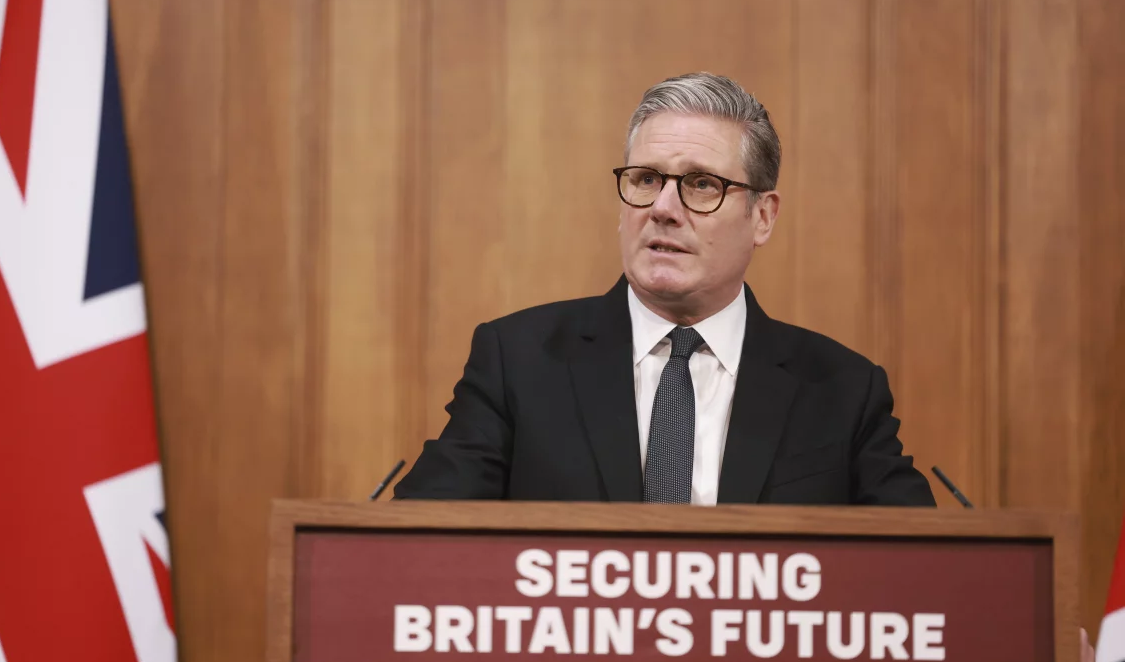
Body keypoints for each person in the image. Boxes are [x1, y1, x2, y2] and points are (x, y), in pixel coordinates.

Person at [396, 72, 933, 506]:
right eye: (646, 179)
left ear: (762, 217)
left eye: (702, 184)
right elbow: (419, 544)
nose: (663, 209)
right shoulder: (518, 361)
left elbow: (926, 570)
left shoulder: (841, 390)